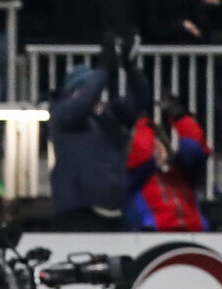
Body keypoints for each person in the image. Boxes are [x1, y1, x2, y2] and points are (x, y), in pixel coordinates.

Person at [49, 40, 149, 231]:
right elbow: (85, 100)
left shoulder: (108, 117)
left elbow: (139, 102)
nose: (98, 97)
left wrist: (131, 69)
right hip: (77, 212)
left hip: (113, 211)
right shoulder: (63, 116)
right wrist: (103, 70)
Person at [126, 97, 211, 231]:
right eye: (151, 146)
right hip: (152, 240)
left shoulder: (181, 172)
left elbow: (195, 149)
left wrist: (180, 116)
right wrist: (143, 123)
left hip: (196, 238)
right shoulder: (133, 176)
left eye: (158, 144)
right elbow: (144, 157)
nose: (155, 150)